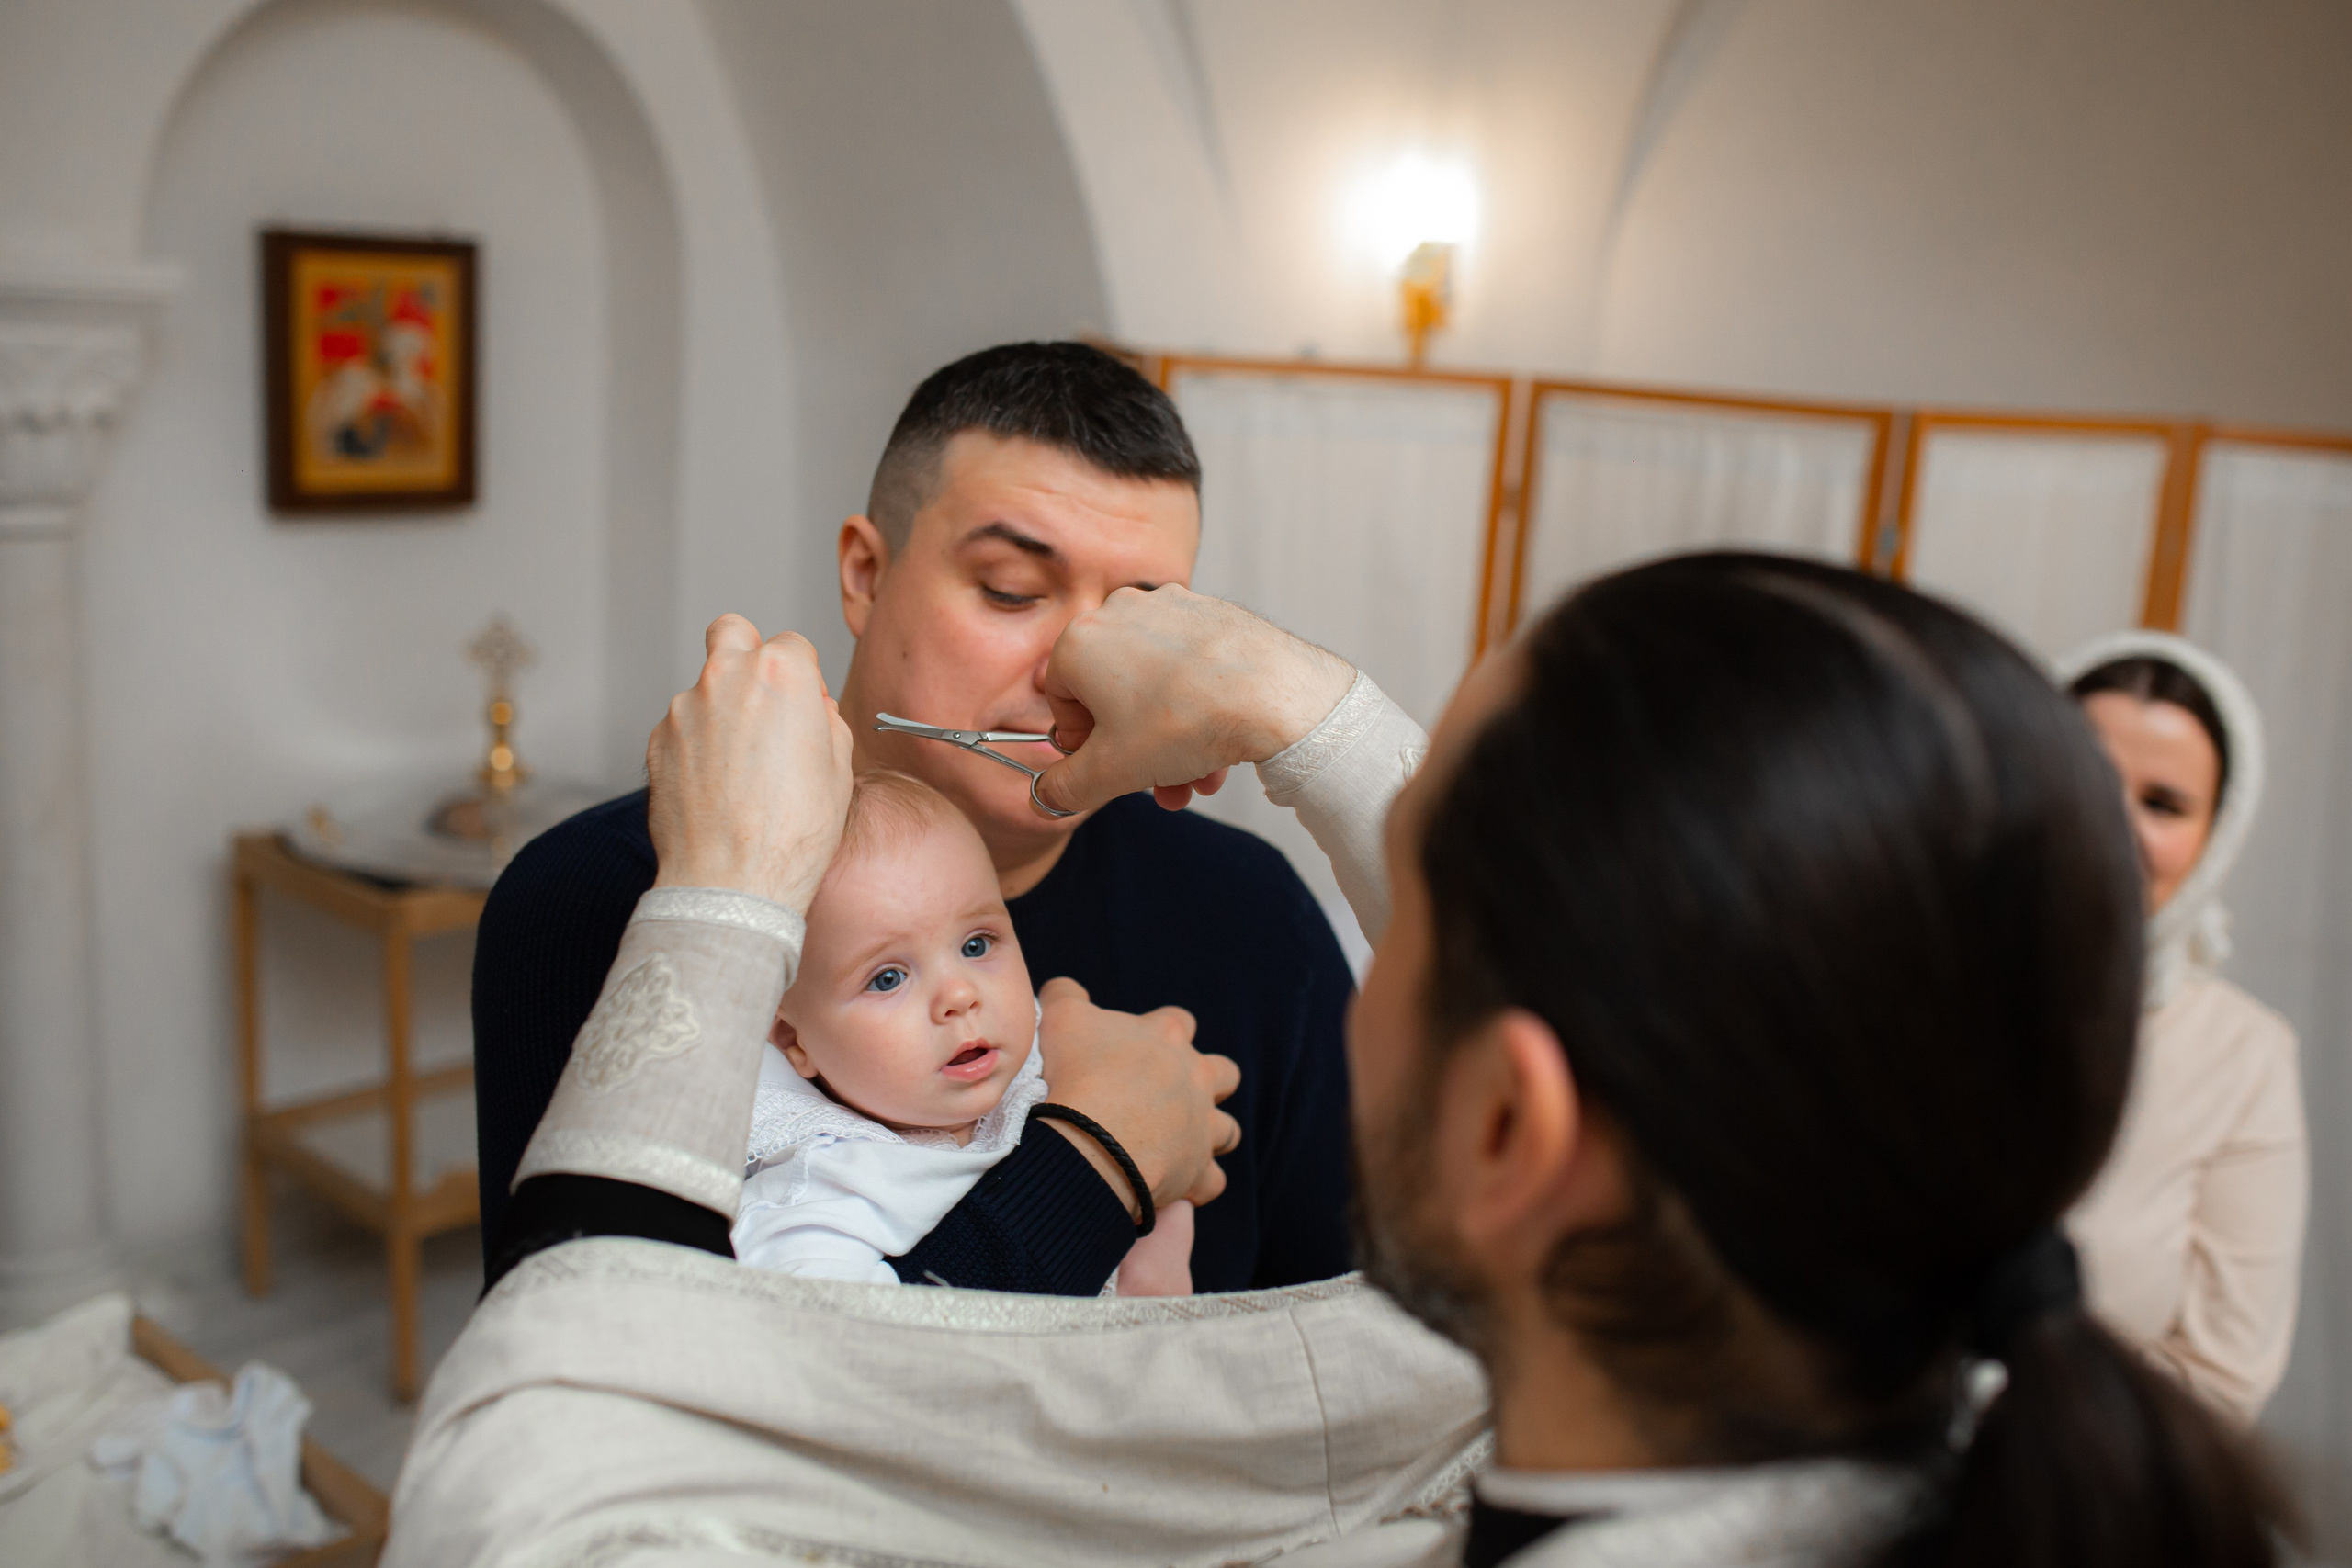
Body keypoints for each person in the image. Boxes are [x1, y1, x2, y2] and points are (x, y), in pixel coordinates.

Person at [397, 558, 2290, 1566]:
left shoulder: (1218, 942)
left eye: (1412, 924)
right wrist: (1312, 710)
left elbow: (546, 1447)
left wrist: (728, 891)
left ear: (1505, 1121)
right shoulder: (1918, 1376)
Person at [472, 342, 1356, 1295]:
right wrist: (1097, 1165)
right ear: (863, 573)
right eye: (1011, 590)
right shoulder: (600, 897)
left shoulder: (1255, 913)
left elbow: (1348, 1332)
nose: (1080, 668)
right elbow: (599, 1374)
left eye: (1141, 618)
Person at [733, 769, 1193, 1294]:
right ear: (794, 1041)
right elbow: (839, 1341)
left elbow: (1169, 1159)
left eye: (976, 945)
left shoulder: (1056, 1057)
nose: (959, 995)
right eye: (888, 978)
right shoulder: (826, 1190)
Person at [2060, 631, 2308, 1423]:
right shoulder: (1902, 984)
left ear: (2214, 840)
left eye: (2163, 804)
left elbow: (2221, 1381)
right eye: (2084, 779)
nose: (2114, 822)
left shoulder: (2242, 1057)